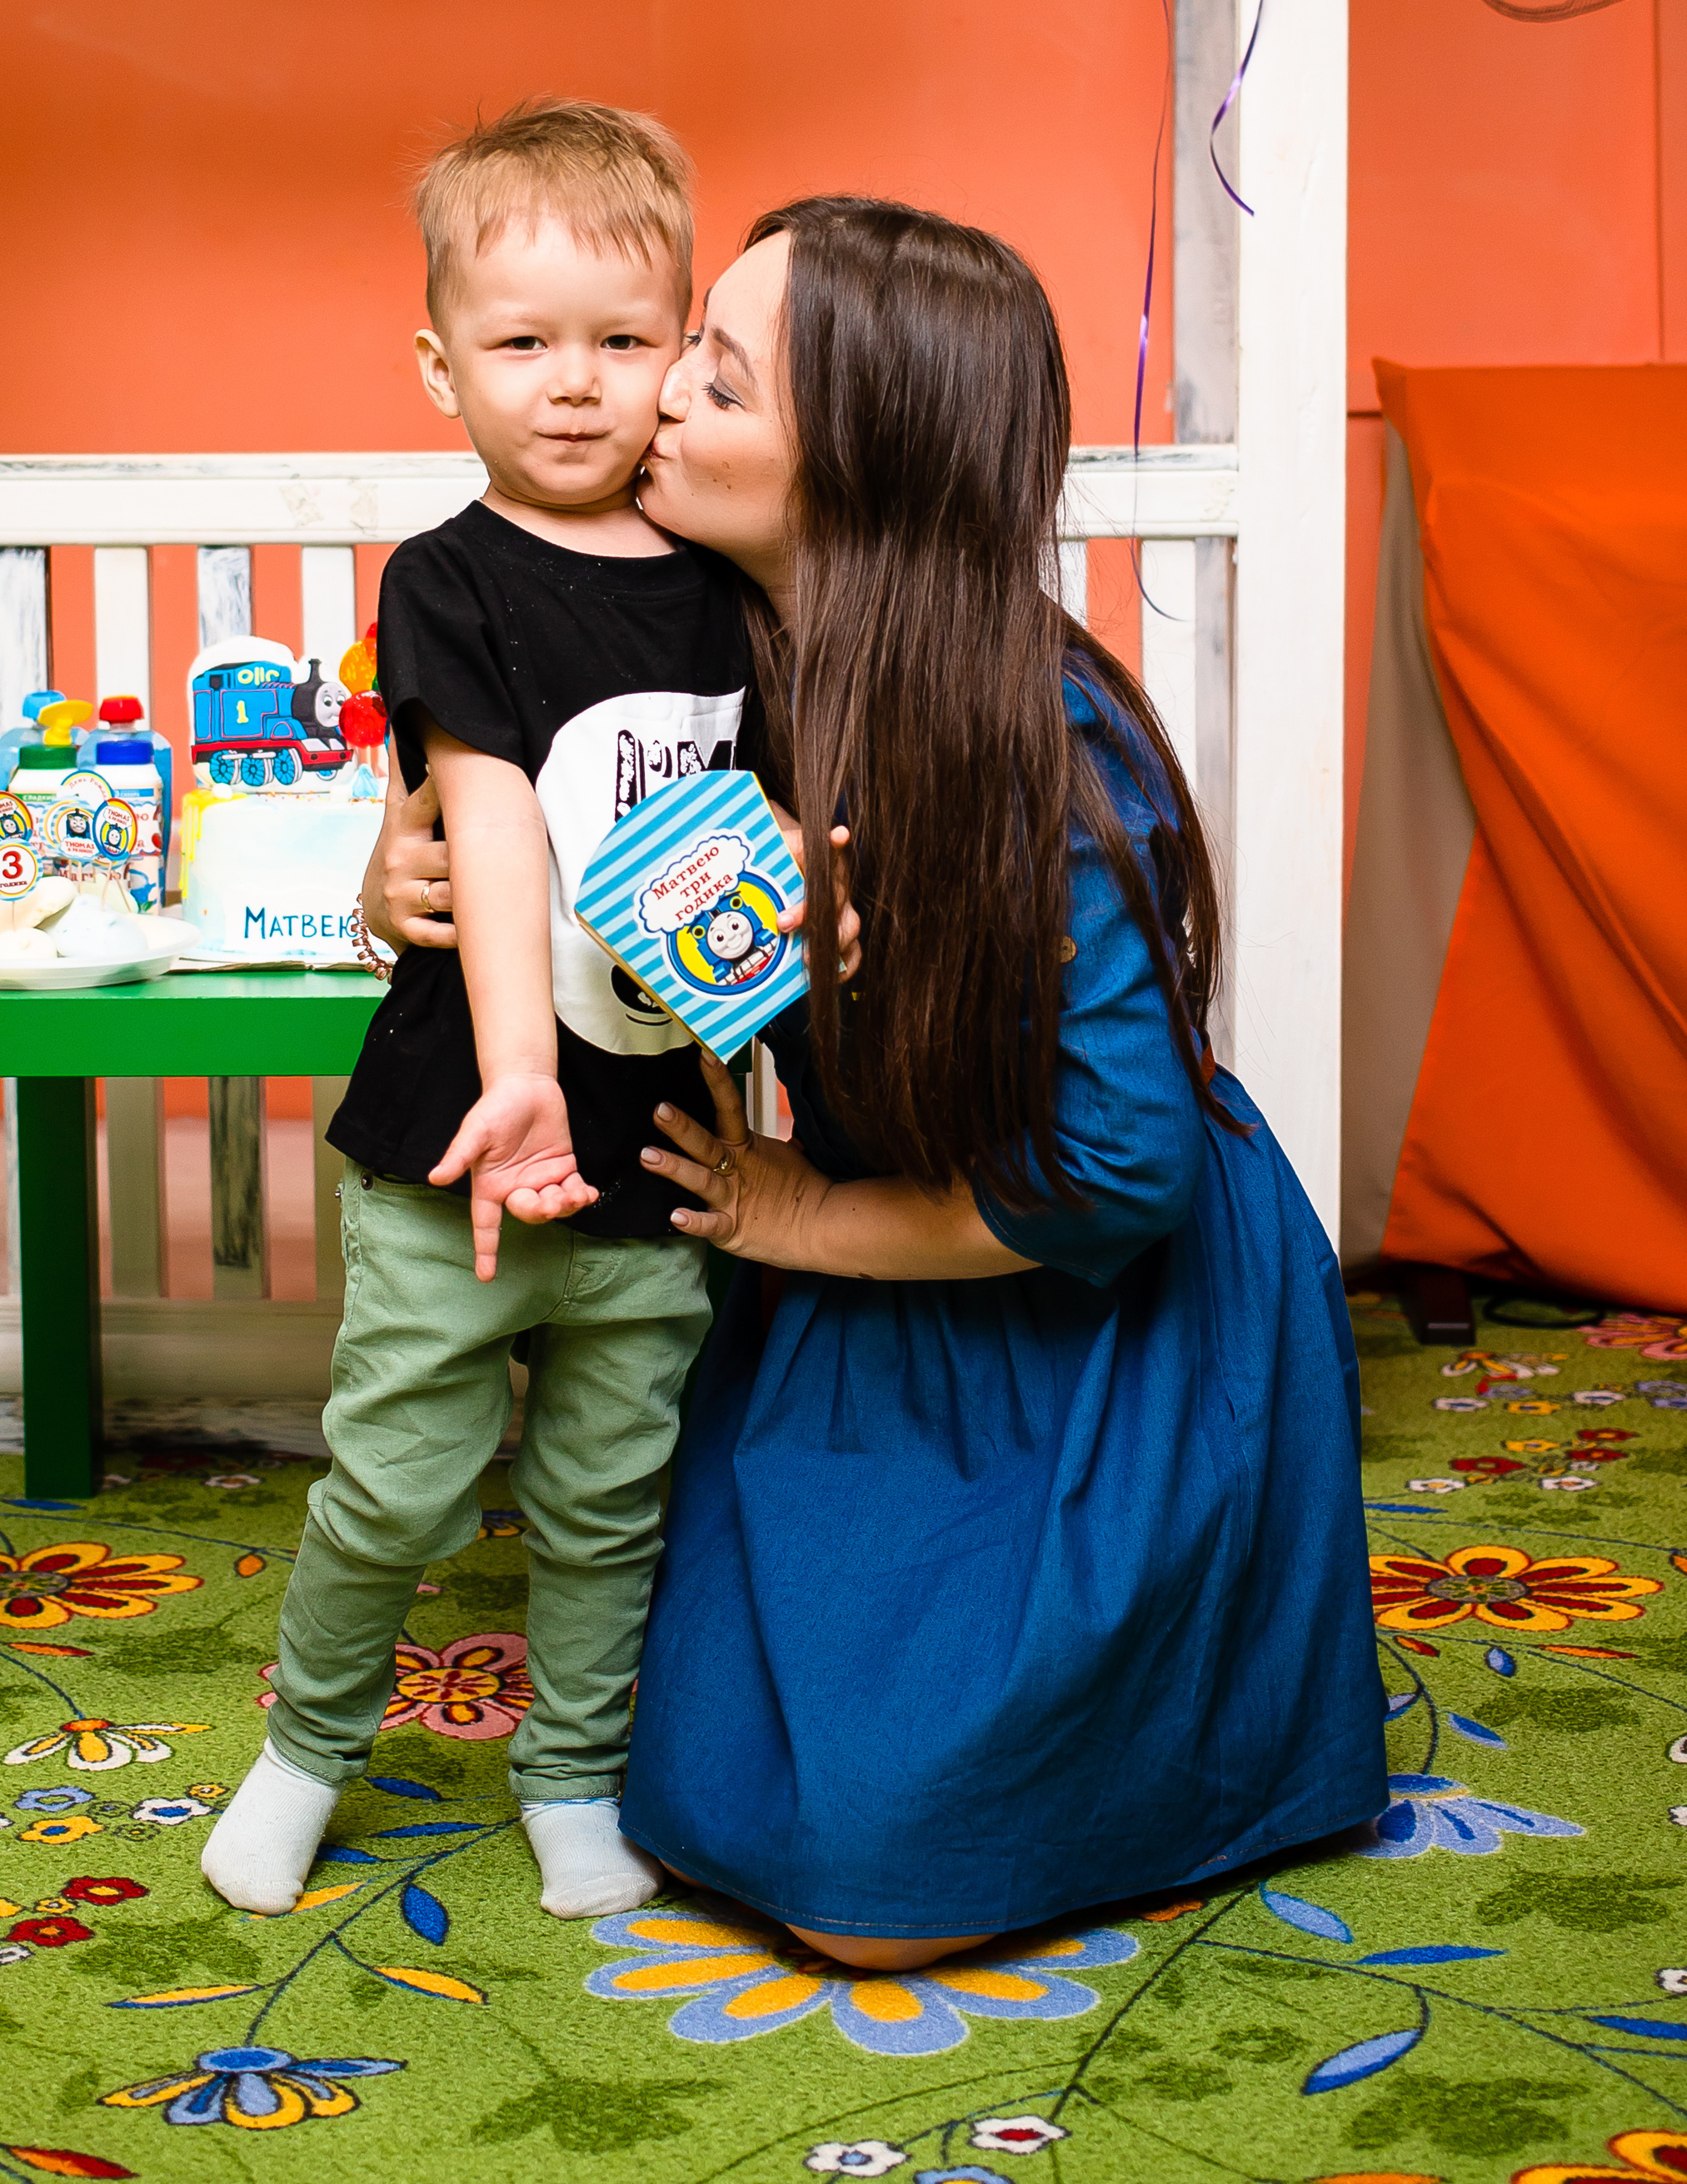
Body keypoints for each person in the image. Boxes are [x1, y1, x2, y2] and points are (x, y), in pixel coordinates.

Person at [366, 194, 1390, 1963]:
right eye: (690, 350)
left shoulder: (1039, 755)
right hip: (861, 1271)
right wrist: (393, 882)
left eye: (717, 382)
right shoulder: (699, 647)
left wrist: (799, 1221)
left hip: (1081, 1298)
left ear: (858, 472)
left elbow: (1118, 1174)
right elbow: (520, 821)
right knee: (710, 1796)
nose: (653, 397)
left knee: (876, 1888)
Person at [203, 102, 750, 1928]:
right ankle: (306, 1751)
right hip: (460, 1140)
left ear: (684, 355)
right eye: (522, 343)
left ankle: (573, 1772)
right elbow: (491, 809)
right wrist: (515, 1066)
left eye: (621, 338)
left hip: (657, 1151)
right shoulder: (451, 579)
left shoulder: (738, 581)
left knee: (612, 1497)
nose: (575, 385)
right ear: (442, 369)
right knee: (395, 1485)